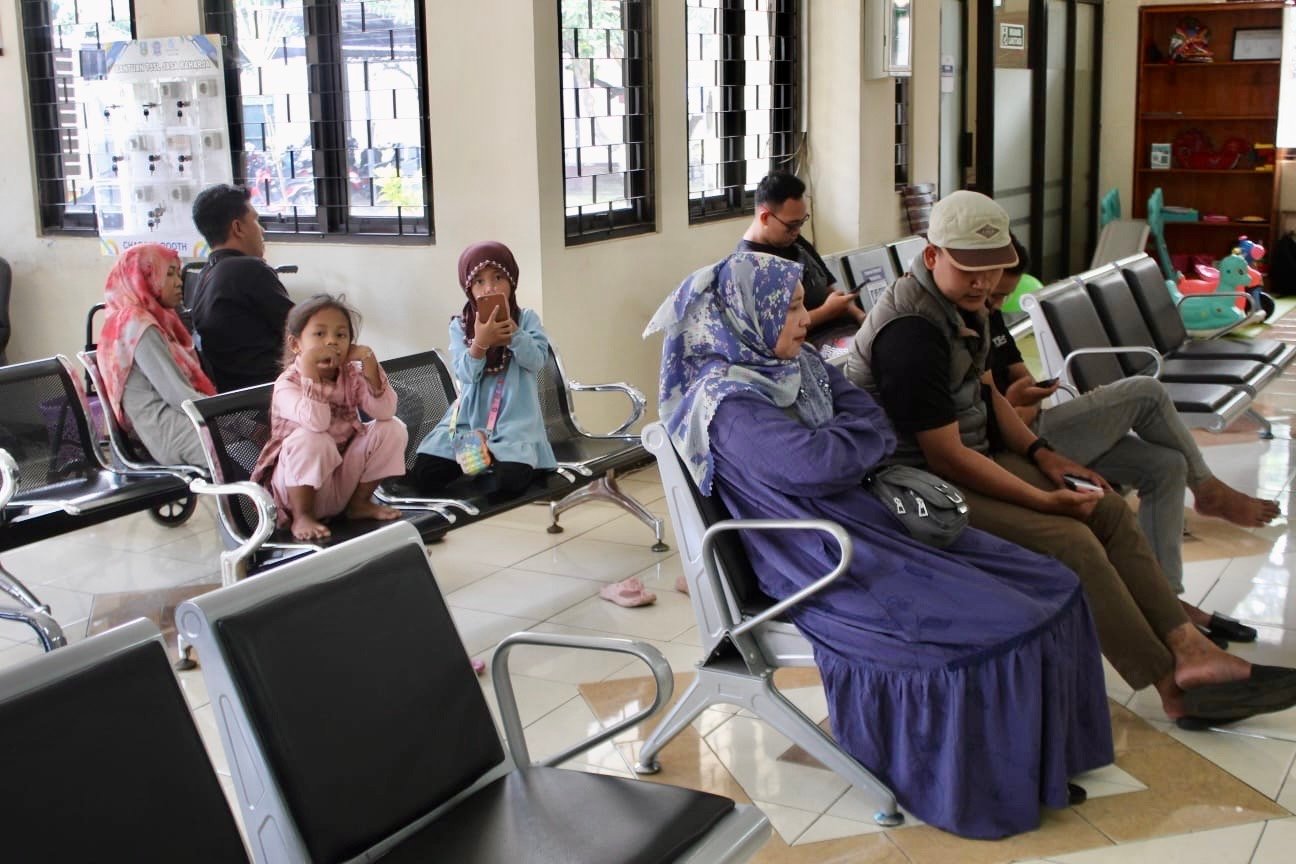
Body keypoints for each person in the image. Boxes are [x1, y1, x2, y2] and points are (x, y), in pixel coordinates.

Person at [646, 250, 1114, 838]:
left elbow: (870, 420)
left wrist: (849, 442)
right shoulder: (729, 406)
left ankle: (1041, 764)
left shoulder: (796, 365)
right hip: (821, 558)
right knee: (995, 625)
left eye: (802, 305)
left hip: (872, 524)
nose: (806, 319)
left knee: (1052, 582)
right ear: (747, 317)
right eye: (789, 309)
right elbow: (819, 464)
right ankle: (988, 788)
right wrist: (852, 442)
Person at [847, 190, 1296, 725]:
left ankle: (1191, 648)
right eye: (970, 268)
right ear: (931, 255)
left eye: (993, 269)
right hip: (918, 485)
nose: (984, 282)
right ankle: (1170, 685)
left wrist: (1044, 454)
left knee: (1107, 508)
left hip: (973, 456)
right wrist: (1042, 500)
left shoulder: (963, 304)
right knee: (1072, 540)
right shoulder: (911, 333)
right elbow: (945, 458)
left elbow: (986, 391)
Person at [987, 235, 1279, 643]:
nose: (998, 304)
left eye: (1004, 295)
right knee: (1146, 391)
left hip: (1038, 426)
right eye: (995, 294)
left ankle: (1166, 600)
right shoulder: (958, 325)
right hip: (1020, 449)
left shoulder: (990, 317)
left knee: (1166, 465)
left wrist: (1022, 399)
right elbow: (993, 418)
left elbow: (1020, 383)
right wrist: (1018, 406)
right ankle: (1208, 489)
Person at [250, 294, 406, 541]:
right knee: (314, 438)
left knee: (392, 428)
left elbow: (385, 411)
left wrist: (368, 360)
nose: (331, 341)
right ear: (296, 344)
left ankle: (359, 504)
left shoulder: (350, 375)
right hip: (295, 491)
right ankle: (303, 517)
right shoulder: (287, 384)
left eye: (341, 335)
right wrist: (310, 369)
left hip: (337, 480)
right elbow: (317, 422)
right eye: (320, 334)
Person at [411, 241, 557, 497]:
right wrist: (479, 343)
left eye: (498, 277)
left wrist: (514, 335)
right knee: (425, 473)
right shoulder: (460, 326)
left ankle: (494, 461)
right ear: (468, 288)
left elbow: (535, 361)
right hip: (468, 421)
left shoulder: (526, 320)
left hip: (514, 424)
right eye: (479, 281)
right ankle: (478, 457)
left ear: (512, 280)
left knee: (507, 483)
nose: (489, 288)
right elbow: (465, 375)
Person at [96, 243, 215, 466]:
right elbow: (179, 396)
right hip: (170, 432)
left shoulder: (129, 319)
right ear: (143, 277)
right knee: (253, 451)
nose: (179, 282)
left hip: (171, 425)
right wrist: (230, 416)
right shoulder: (137, 324)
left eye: (177, 274)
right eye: (169, 274)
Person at [190, 184, 295, 392]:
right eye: (256, 220)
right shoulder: (248, 269)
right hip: (271, 392)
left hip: (233, 396)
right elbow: (302, 328)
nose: (262, 230)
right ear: (238, 228)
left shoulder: (204, 275)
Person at [737, 172, 863, 337]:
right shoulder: (747, 265)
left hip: (845, 330)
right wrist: (826, 312)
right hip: (807, 342)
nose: (797, 231)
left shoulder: (794, 240)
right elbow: (774, 333)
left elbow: (828, 289)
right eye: (792, 225)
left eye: (801, 222)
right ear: (765, 218)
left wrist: (861, 316)